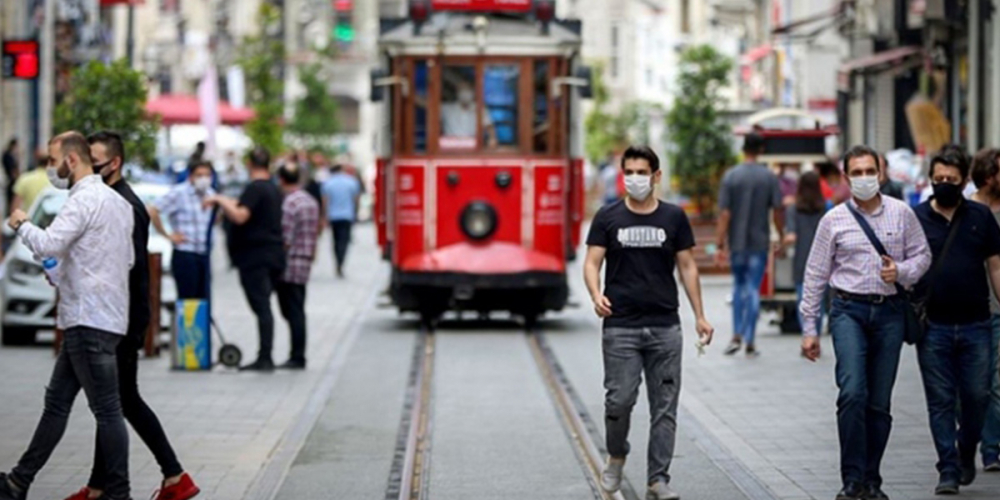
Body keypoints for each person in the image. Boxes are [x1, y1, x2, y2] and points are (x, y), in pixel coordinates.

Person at [0, 132, 135, 500]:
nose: (50, 168)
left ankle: (119, 493)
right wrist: (59, 271)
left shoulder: (81, 201)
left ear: (71, 161)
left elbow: (48, 243)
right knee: (58, 403)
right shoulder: (117, 204)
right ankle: (17, 482)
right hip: (103, 317)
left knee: (107, 410)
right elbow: (120, 261)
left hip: (86, 319)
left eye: (52, 159)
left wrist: (21, 223)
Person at [67, 131, 199, 500]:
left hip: (122, 318)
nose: (88, 167)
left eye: (95, 161)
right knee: (113, 401)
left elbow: (130, 267)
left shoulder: (125, 205)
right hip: (117, 315)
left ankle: (174, 475)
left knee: (121, 400)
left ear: (114, 163)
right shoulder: (109, 199)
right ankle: (100, 486)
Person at [800, 145, 931, 500]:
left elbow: (923, 255)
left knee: (879, 402)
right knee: (853, 392)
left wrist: (901, 271)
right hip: (848, 312)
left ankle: (872, 479)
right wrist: (810, 329)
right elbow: (815, 274)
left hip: (889, 313)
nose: (863, 178)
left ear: (881, 173)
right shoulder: (834, 220)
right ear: (845, 178)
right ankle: (852, 479)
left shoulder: (902, 214)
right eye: (855, 173)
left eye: (868, 171)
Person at [584, 145, 713, 500]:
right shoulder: (608, 217)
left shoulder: (673, 217)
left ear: (656, 176)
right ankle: (617, 454)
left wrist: (700, 315)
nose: (635, 179)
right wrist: (596, 295)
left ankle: (658, 480)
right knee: (619, 402)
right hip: (620, 327)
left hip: (665, 328)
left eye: (642, 172)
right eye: (630, 172)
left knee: (665, 407)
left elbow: (687, 266)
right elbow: (592, 262)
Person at [912, 144, 1000, 495]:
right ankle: (947, 467)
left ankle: (967, 450)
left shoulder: (980, 218)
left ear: (964, 180)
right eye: (938, 179)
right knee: (940, 400)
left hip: (978, 323)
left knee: (978, 395)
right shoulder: (916, 219)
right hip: (933, 326)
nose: (944, 183)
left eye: (951, 178)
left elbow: (995, 266)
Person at [205, 147, 285, 372]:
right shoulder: (273, 188)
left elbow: (240, 215)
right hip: (272, 254)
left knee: (261, 306)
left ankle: (265, 357)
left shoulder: (255, 188)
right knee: (264, 305)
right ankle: (265, 354)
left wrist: (220, 199)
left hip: (255, 257)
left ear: (250, 164)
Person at [715, 132, 784, 357]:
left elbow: (725, 213)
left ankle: (736, 334)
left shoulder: (731, 176)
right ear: (761, 150)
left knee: (738, 287)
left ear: (743, 149)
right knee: (753, 289)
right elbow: (777, 210)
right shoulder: (768, 177)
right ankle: (750, 340)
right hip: (759, 241)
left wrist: (719, 242)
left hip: (737, 242)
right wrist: (781, 236)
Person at [971, 148, 1000, 473]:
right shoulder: (968, 209)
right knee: (974, 384)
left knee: (994, 380)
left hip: (997, 308)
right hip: (971, 309)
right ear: (989, 175)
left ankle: (991, 448)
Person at [149, 161, 216, 300]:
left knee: (203, 300)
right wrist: (167, 235)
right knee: (188, 300)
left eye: (207, 175)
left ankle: (202, 322)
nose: (204, 179)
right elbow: (153, 210)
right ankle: (188, 322)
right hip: (186, 253)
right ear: (191, 176)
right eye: (200, 175)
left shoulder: (211, 194)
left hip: (204, 253)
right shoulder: (179, 193)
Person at [276, 164, 319, 369]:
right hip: (305, 259)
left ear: (282, 179)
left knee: (292, 310)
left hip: (291, 261)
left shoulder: (290, 203)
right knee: (298, 307)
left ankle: (297, 356)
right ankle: (298, 353)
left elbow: (286, 237)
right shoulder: (310, 201)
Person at [783, 171, 827, 335]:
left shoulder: (793, 209)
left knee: (803, 299)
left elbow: (791, 236)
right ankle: (816, 329)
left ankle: (808, 334)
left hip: (802, 259)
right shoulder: (827, 208)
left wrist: (780, 246)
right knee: (820, 300)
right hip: (823, 260)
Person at [321, 161, 362, 278]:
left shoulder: (328, 183)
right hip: (347, 215)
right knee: (344, 240)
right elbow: (356, 199)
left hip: (333, 216)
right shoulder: (351, 182)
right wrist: (356, 212)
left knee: (335, 240)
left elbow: (325, 201)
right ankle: (341, 262)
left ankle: (337, 261)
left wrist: (325, 215)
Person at [440, 81, 497, 147]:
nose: (465, 93)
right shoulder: (447, 108)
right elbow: (428, 104)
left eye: (467, 89)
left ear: (472, 92)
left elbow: (488, 125)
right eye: (462, 90)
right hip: (450, 146)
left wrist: (492, 138)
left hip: (472, 145)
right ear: (457, 92)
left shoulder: (480, 109)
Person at [3, 137, 20, 215]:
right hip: (11, 181)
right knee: (11, 199)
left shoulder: (9, 155)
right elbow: (12, 169)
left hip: (10, 180)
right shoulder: (9, 156)